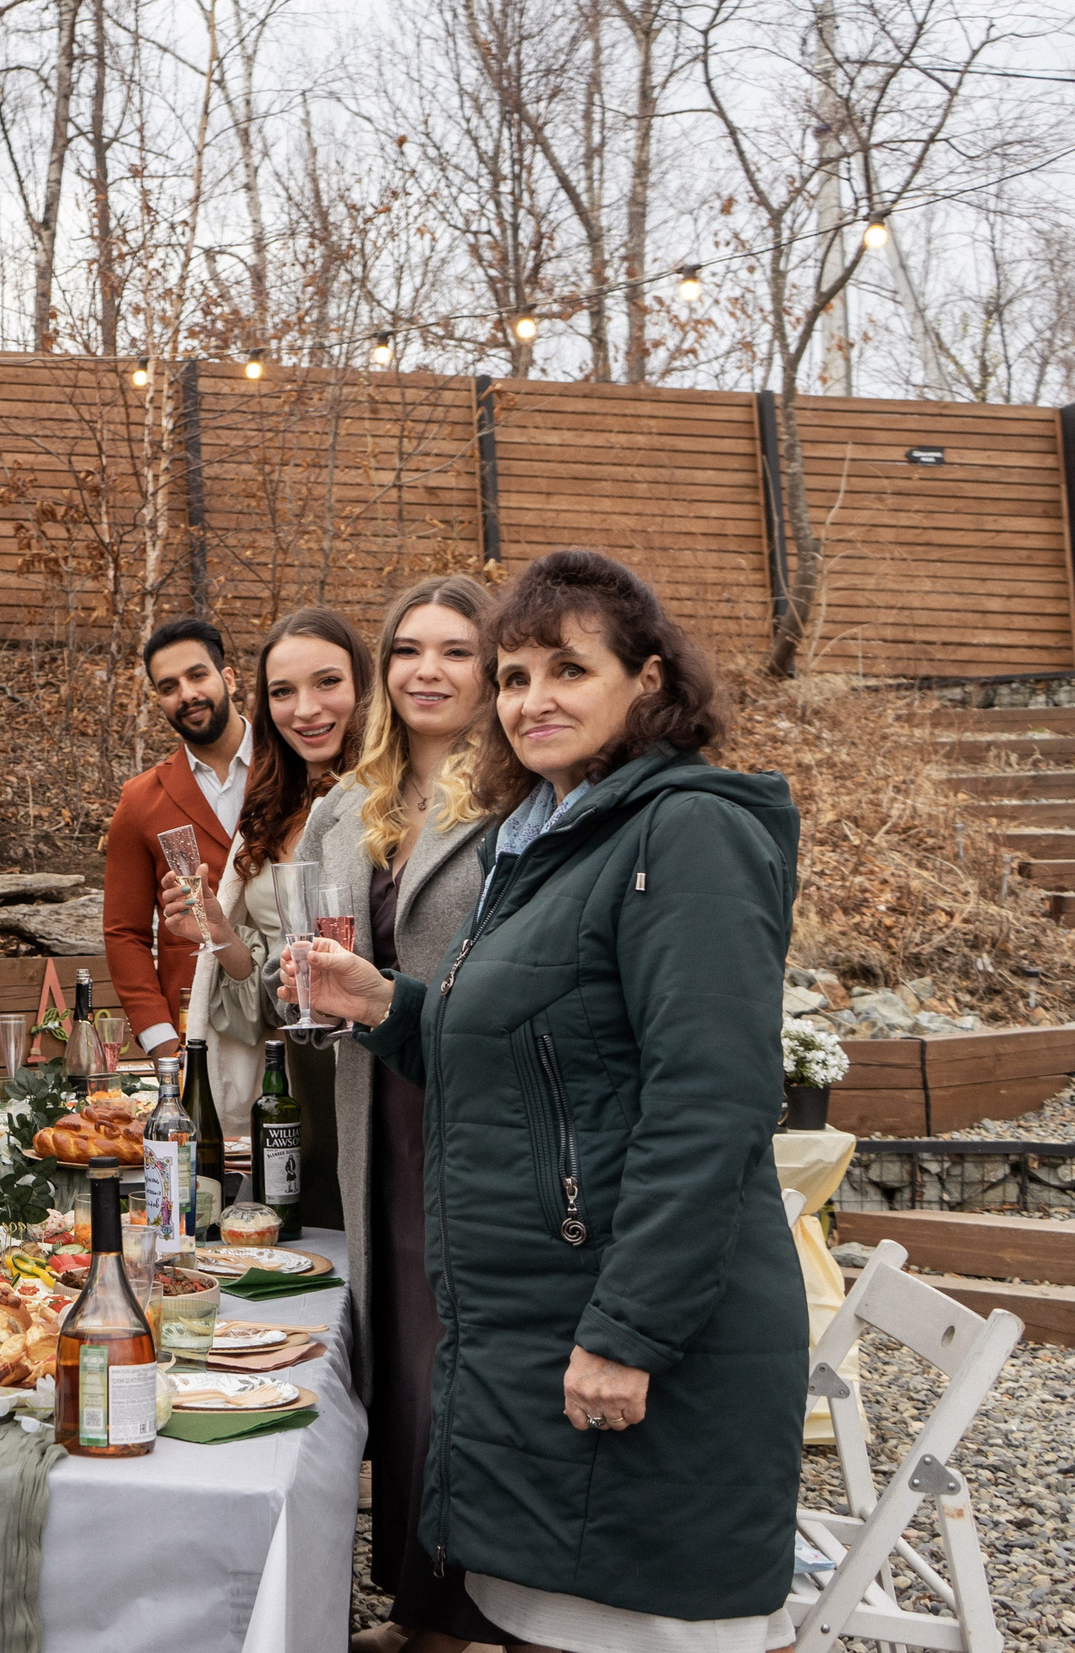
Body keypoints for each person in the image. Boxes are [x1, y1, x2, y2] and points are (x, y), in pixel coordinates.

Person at [297, 549, 805, 1653]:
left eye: (566, 672)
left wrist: (629, 1333)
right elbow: (528, 1052)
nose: (532, 701)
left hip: (638, 1327)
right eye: (515, 676)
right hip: (540, 1317)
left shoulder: (686, 832)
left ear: (649, 681)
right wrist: (388, 1004)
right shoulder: (552, 840)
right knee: (542, 1624)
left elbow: (710, 1104)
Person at [297, 577, 503, 1653]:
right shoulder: (346, 802)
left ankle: (468, 1614)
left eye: (454, 651)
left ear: (488, 669)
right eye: (409, 650)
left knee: (451, 1356)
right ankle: (418, 1603)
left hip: (467, 1101)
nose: (427, 671)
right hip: (368, 1099)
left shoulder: (522, 799)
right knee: (390, 1352)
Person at [166, 607, 373, 1230]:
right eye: (283, 692)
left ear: (368, 685)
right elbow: (261, 984)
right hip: (295, 1069)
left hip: (377, 1062)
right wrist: (220, 934)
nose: (304, 709)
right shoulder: (271, 806)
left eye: (327, 683)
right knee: (312, 1235)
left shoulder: (393, 798)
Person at [106, 618, 247, 1060]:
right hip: (195, 1032)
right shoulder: (140, 800)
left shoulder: (293, 772)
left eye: (197, 675)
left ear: (228, 678)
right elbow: (124, 932)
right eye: (169, 687)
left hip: (289, 1011)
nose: (186, 694)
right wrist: (160, 1040)